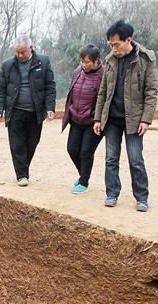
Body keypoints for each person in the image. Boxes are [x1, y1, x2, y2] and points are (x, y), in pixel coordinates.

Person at [92, 20, 158, 211]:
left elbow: (151, 92)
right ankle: (112, 193)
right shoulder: (110, 59)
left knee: (135, 159)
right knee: (111, 158)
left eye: (117, 44)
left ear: (128, 40)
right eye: (111, 45)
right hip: (112, 118)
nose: (114, 48)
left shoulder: (145, 59)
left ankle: (141, 197)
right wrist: (98, 118)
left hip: (134, 119)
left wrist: (146, 119)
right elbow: (103, 91)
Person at [0, 35, 56, 186]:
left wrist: (50, 107)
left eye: (23, 52)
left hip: (35, 111)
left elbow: (50, 86)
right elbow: (1, 89)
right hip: (15, 110)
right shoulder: (8, 65)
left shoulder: (43, 61)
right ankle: (22, 175)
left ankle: (23, 168)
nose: (20, 55)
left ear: (31, 48)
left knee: (32, 143)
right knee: (17, 145)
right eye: (17, 52)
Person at [62, 44, 105, 194]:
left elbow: (104, 98)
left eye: (87, 62)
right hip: (76, 119)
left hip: (92, 121)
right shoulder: (77, 73)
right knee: (72, 149)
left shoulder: (103, 74)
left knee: (86, 151)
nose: (84, 65)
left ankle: (84, 182)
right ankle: (83, 175)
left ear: (96, 60)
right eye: (82, 61)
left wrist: (98, 118)